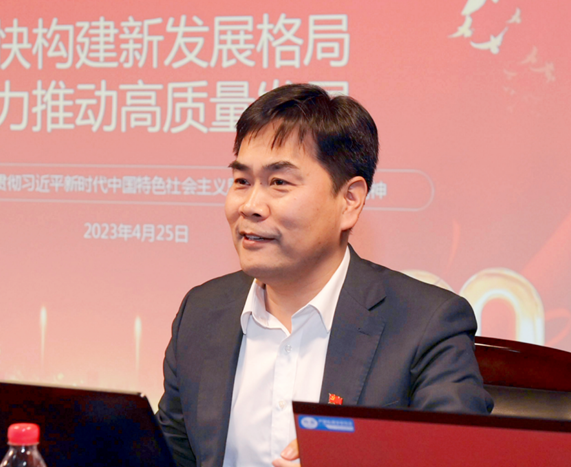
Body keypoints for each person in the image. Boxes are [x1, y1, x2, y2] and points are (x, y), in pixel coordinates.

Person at [156, 84, 493, 467]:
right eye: (242, 181)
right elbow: (169, 455)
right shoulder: (202, 312)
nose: (250, 206)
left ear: (349, 200)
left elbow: (458, 457)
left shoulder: (426, 324)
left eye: (279, 183)